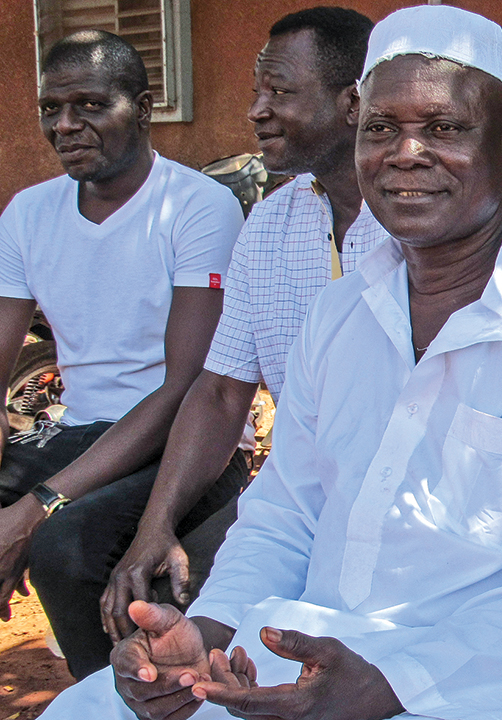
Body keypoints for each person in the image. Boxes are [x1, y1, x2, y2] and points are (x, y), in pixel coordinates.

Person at [40, 5, 502, 720]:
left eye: (444, 128)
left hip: (475, 679)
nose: (405, 153)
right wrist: (208, 632)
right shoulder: (338, 315)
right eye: (380, 128)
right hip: (302, 656)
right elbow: (284, 513)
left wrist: (389, 684)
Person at [98, 5, 387, 646]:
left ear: (353, 102)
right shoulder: (269, 225)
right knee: (110, 573)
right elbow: (223, 389)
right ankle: (141, 694)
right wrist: (156, 524)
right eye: (258, 91)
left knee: (218, 612)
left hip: (401, 507)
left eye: (280, 92)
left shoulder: (421, 228)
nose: (257, 110)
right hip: (295, 498)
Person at [0, 30, 245, 680]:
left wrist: (34, 507)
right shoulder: (29, 213)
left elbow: (185, 387)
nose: (65, 125)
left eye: (88, 105)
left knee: (64, 543)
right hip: (76, 435)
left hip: (186, 441)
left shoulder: (197, 207)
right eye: (52, 109)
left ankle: (109, 698)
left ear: (141, 107)